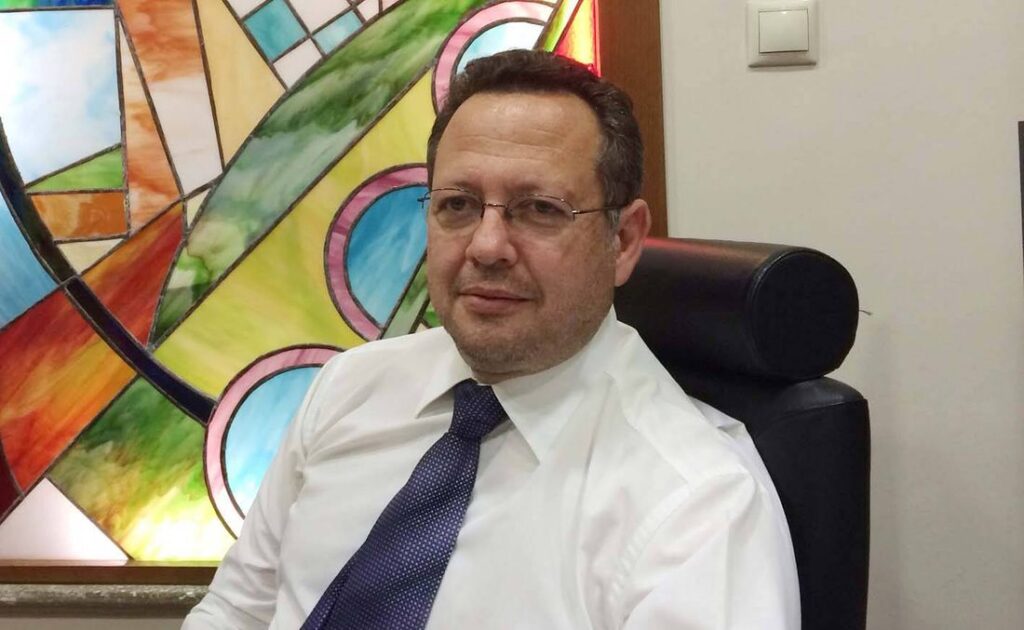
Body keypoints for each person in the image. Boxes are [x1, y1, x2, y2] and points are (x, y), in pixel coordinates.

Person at [184, 49, 799, 629]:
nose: (486, 247)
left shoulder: (697, 505)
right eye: (458, 205)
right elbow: (238, 611)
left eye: (540, 209)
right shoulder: (351, 387)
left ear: (624, 240)